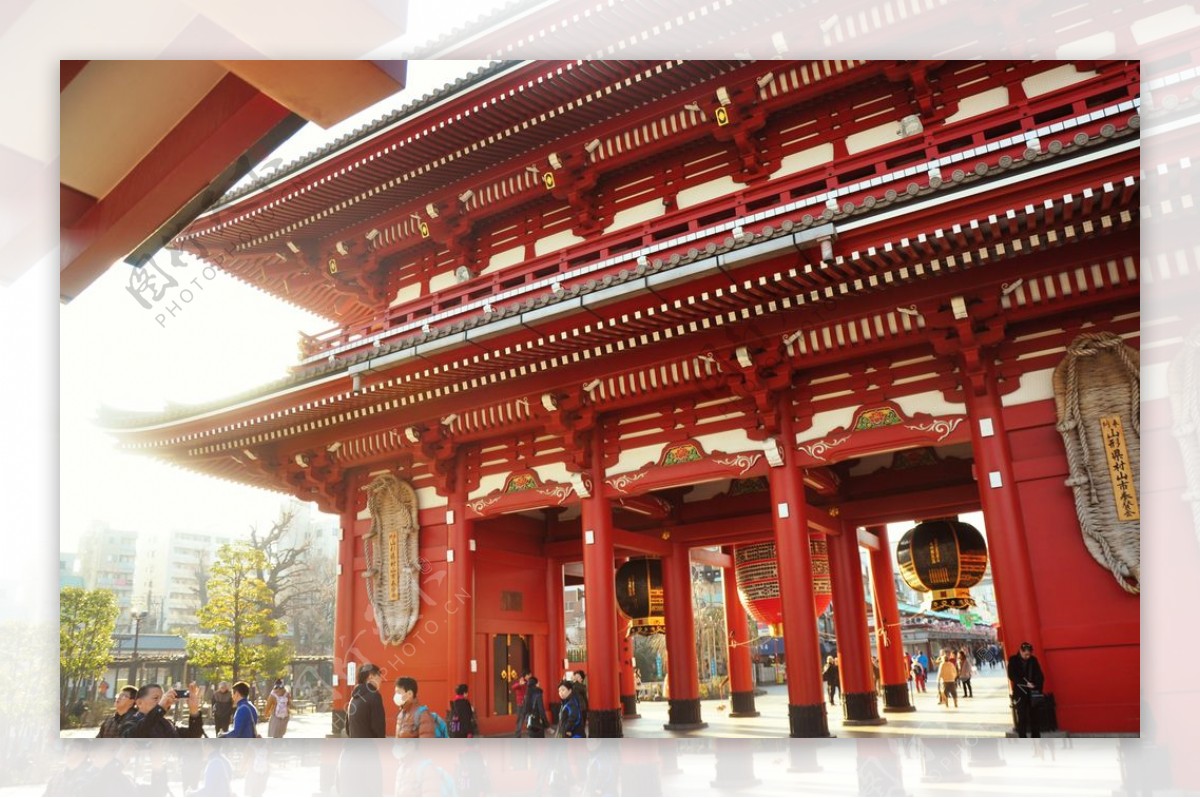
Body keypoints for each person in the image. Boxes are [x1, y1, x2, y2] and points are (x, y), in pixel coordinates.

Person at [120, 682, 204, 737]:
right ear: (139, 703)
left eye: (162, 698)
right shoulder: (130, 723)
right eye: (155, 698)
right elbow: (142, 729)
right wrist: (160, 707)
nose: (161, 702)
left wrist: (194, 711)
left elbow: (193, 735)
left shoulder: (166, 724)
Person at [1008, 641, 1046, 738]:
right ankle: (1023, 737)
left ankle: (1036, 736)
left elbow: (1039, 675)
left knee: (1035, 716)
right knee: (1022, 716)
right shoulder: (1013, 660)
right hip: (1020, 692)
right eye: (1026, 654)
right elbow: (1012, 675)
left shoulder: (1033, 660)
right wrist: (1025, 683)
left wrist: (1036, 685)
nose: (1027, 656)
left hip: (1033, 692)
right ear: (1020, 651)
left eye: (1029, 654)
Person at [347, 663, 387, 738]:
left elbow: (347, 727)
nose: (381, 680)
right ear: (371, 676)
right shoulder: (374, 696)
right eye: (379, 676)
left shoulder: (353, 698)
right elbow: (378, 726)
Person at [511, 671, 530, 737]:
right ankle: (517, 734)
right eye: (529, 675)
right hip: (521, 703)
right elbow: (513, 687)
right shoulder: (520, 681)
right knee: (520, 719)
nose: (529, 676)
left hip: (527, 703)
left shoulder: (528, 682)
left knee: (527, 718)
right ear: (526, 675)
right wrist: (520, 684)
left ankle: (530, 732)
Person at [572, 670, 589, 735]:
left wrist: (587, 709)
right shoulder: (573, 685)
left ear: (581, 679)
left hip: (581, 710)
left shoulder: (582, 687)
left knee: (581, 727)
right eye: (575, 676)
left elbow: (585, 699)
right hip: (574, 710)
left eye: (577, 676)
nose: (576, 677)